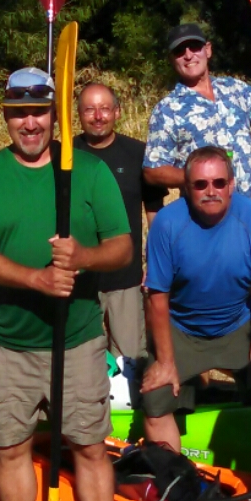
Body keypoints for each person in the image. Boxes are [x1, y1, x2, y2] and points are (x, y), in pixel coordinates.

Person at [0, 68, 132, 501]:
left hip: (76, 340)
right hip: (6, 344)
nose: (30, 123)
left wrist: (83, 257)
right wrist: (36, 279)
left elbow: (121, 247)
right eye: (20, 114)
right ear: (6, 117)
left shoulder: (89, 172)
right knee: (10, 449)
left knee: (90, 447)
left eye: (39, 112)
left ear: (55, 117)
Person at [138, 147, 251, 454]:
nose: (211, 191)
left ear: (232, 185)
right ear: (186, 187)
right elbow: (157, 297)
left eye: (219, 183)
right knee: (155, 399)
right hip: (181, 326)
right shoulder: (167, 223)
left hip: (237, 323)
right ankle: (171, 472)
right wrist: (165, 361)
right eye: (200, 184)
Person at [143, 23, 251, 200]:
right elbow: (152, 171)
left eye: (194, 47)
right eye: (179, 51)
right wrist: (195, 176)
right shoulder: (167, 110)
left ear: (208, 50)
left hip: (248, 208)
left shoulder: (236, 89)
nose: (188, 55)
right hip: (204, 211)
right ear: (171, 59)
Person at [75, 82, 159, 393]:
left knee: (129, 363)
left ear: (117, 112)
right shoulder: (64, 155)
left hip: (126, 279)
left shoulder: (138, 154)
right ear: (79, 114)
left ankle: (128, 416)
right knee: (81, 362)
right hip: (79, 280)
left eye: (105, 109)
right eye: (89, 109)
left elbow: (154, 213)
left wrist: (155, 265)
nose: (98, 116)